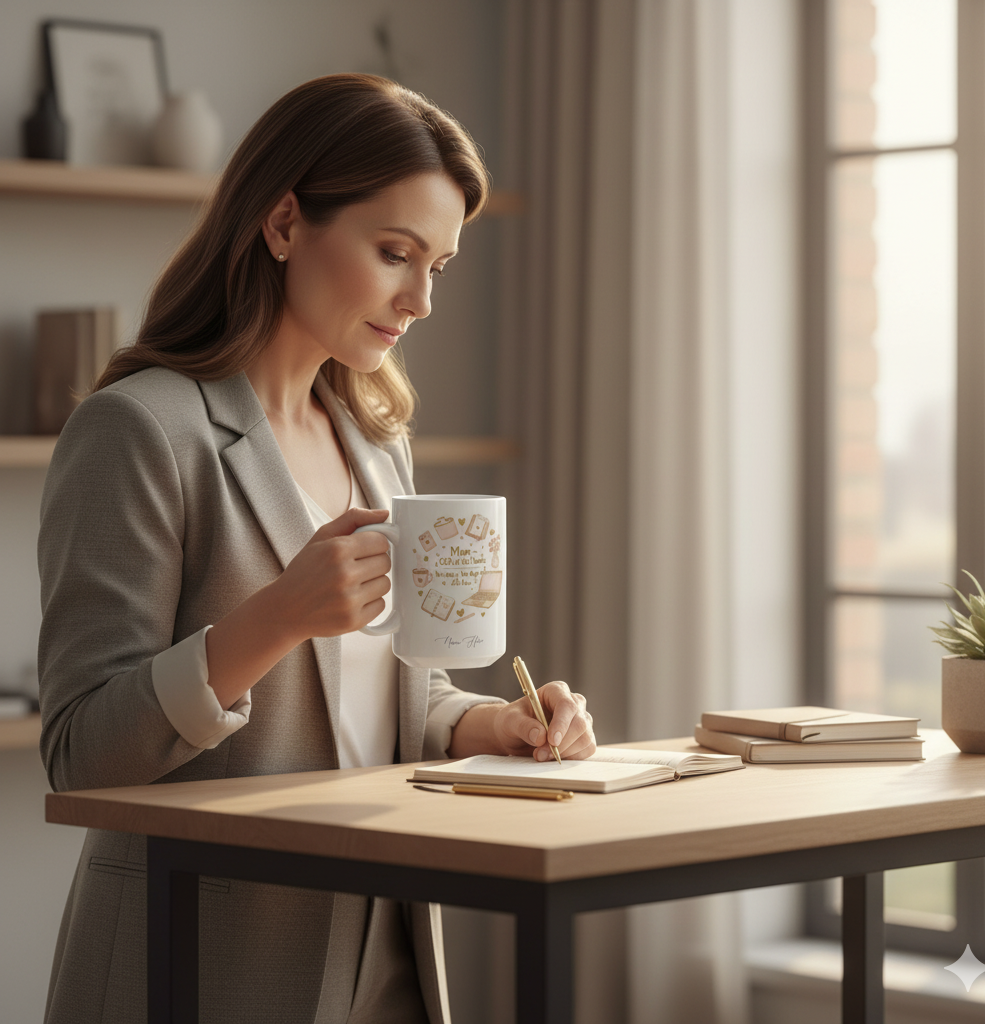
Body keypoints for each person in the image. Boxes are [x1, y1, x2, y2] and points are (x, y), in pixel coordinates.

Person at [37, 74, 597, 1024]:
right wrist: (275, 617)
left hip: (385, 954)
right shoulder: (137, 429)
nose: (419, 298)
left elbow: (385, 697)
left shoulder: (377, 441)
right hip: (200, 964)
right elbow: (82, 754)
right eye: (394, 253)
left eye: (439, 267)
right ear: (285, 223)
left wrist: (487, 728)